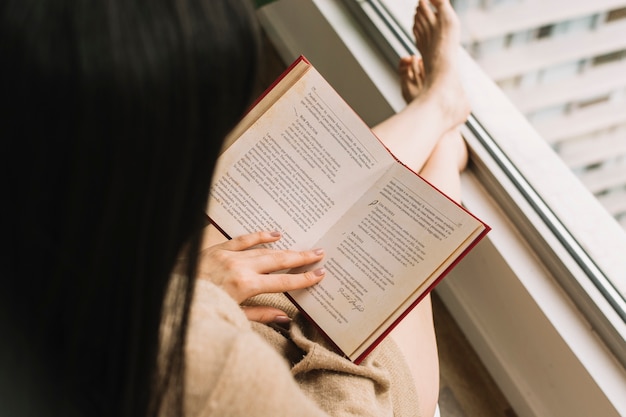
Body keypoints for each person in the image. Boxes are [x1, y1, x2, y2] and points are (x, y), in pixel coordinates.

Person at [1, 0, 469, 416]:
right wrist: (332, 338)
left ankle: (437, 112)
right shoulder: (200, 371)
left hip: (180, 309)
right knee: (381, 269)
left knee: (269, 238)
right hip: (321, 389)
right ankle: (446, 135)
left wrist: (195, 293)